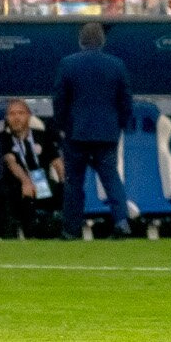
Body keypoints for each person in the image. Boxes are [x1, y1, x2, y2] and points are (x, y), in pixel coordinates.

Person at [53, 21, 134, 239]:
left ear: (81, 40)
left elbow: (60, 99)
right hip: (107, 133)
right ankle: (121, 222)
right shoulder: (116, 64)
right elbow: (125, 99)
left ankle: (71, 230)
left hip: (76, 133)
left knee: (74, 182)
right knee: (110, 178)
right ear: (102, 40)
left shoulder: (68, 64)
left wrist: (60, 126)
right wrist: (121, 124)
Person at [0, 99, 59, 237]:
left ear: (29, 115)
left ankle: (68, 232)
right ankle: (20, 236)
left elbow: (57, 162)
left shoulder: (42, 135)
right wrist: (26, 181)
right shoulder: (1, 138)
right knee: (12, 192)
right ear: (6, 118)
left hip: (41, 181)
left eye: (20, 113)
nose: (16, 117)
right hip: (16, 184)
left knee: (66, 191)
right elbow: (10, 162)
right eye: (12, 114)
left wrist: (67, 182)